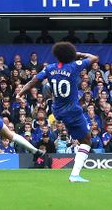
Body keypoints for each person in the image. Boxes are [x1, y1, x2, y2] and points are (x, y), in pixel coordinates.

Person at [16, 42, 97, 183]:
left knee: (79, 137)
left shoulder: (49, 68)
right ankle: (75, 175)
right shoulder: (74, 66)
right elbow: (94, 58)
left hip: (57, 110)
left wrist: (20, 94)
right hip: (72, 110)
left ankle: (74, 169)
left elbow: (33, 81)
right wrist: (78, 55)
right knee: (87, 141)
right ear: (70, 54)